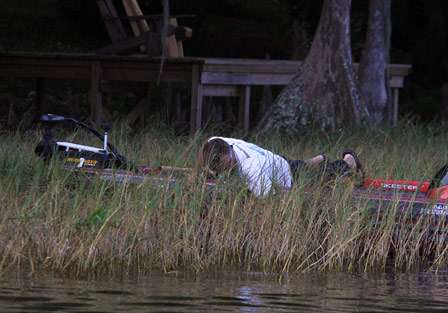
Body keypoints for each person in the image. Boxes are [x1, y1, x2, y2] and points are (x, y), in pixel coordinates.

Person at [196, 136, 363, 197]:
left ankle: (348, 162)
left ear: (230, 154)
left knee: (324, 178)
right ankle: (318, 159)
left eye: (228, 166)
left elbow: (272, 198)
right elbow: (205, 149)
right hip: (272, 159)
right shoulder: (215, 143)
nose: (226, 170)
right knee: (297, 165)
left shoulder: (251, 168)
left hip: (284, 175)